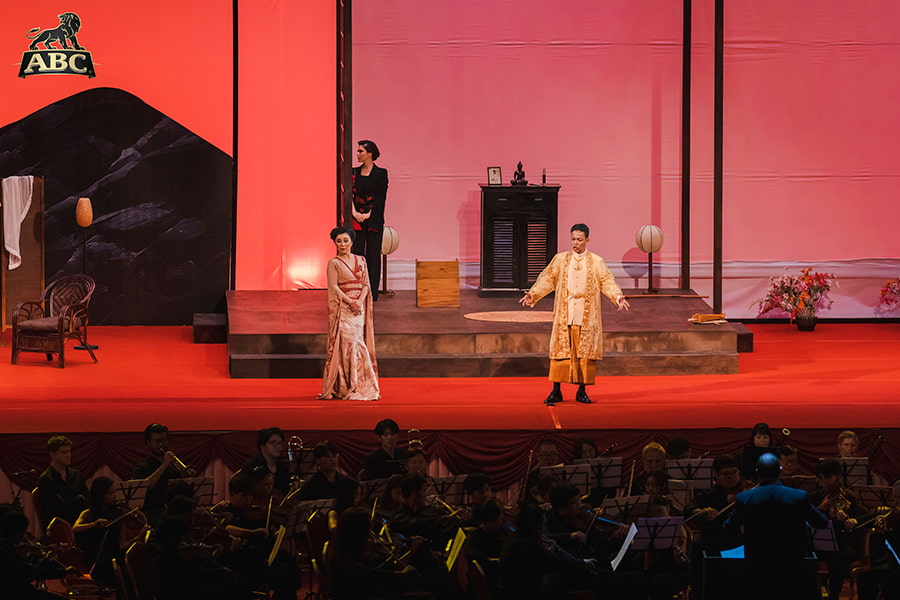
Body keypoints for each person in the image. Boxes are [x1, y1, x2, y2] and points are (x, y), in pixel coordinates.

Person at [519, 223, 630, 405]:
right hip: (566, 312)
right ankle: (556, 390)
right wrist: (533, 294)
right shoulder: (560, 259)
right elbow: (548, 278)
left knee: (583, 353)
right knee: (561, 351)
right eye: (573, 239)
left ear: (587, 240)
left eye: (579, 240)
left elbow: (606, 281)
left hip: (585, 314)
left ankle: (581, 391)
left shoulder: (596, 261)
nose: (575, 243)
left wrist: (617, 297)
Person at [723, 453, 828, 600]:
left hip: (757, 566)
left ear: (757, 472)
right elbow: (821, 522)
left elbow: (728, 527)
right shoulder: (798, 496)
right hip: (792, 566)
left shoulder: (745, 498)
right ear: (779, 470)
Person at [319, 225, 380, 401]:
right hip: (344, 309)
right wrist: (350, 302)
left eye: (345, 240)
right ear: (335, 243)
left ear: (352, 241)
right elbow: (334, 287)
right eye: (338, 241)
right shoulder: (334, 263)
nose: (342, 244)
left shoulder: (361, 260)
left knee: (357, 342)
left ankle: (361, 384)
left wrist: (359, 302)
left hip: (358, 309)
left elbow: (366, 284)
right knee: (347, 345)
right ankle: (346, 385)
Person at [73, 477, 148, 587]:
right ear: (101, 495)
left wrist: (138, 538)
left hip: (113, 560)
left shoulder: (117, 514)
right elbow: (75, 529)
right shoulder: (88, 513)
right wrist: (93, 524)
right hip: (96, 562)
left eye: (115, 492)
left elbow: (121, 546)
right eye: (111, 493)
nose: (115, 496)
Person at [0, 504, 69, 599]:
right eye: (21, 531)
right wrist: (63, 572)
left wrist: (47, 558)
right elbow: (29, 573)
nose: (24, 535)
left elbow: (29, 570)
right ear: (13, 531)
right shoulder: (5, 550)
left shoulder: (9, 547)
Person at [132, 423, 196, 525]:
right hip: (152, 512)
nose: (161, 444)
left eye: (164, 440)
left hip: (173, 511)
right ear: (148, 443)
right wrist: (164, 465)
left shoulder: (173, 465)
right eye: (157, 441)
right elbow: (144, 488)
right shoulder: (142, 466)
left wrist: (186, 477)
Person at [350, 139, 388, 301]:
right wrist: (354, 212)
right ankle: (357, 290)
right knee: (357, 255)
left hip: (373, 220)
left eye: (361, 151)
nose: (357, 154)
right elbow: (349, 194)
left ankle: (372, 293)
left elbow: (381, 197)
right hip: (356, 219)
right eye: (358, 151)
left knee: (373, 256)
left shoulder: (381, 173)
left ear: (370, 154)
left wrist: (368, 215)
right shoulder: (353, 172)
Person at [35, 435, 89, 528]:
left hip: (79, 522)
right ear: (53, 455)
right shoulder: (46, 479)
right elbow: (56, 508)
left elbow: (87, 498)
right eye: (64, 452)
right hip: (59, 527)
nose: (68, 455)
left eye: (69, 451)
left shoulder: (75, 475)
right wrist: (79, 499)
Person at [241, 427, 291, 498]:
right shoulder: (251, 466)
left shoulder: (283, 469)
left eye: (280, 443)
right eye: (273, 443)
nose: (278, 446)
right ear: (262, 446)